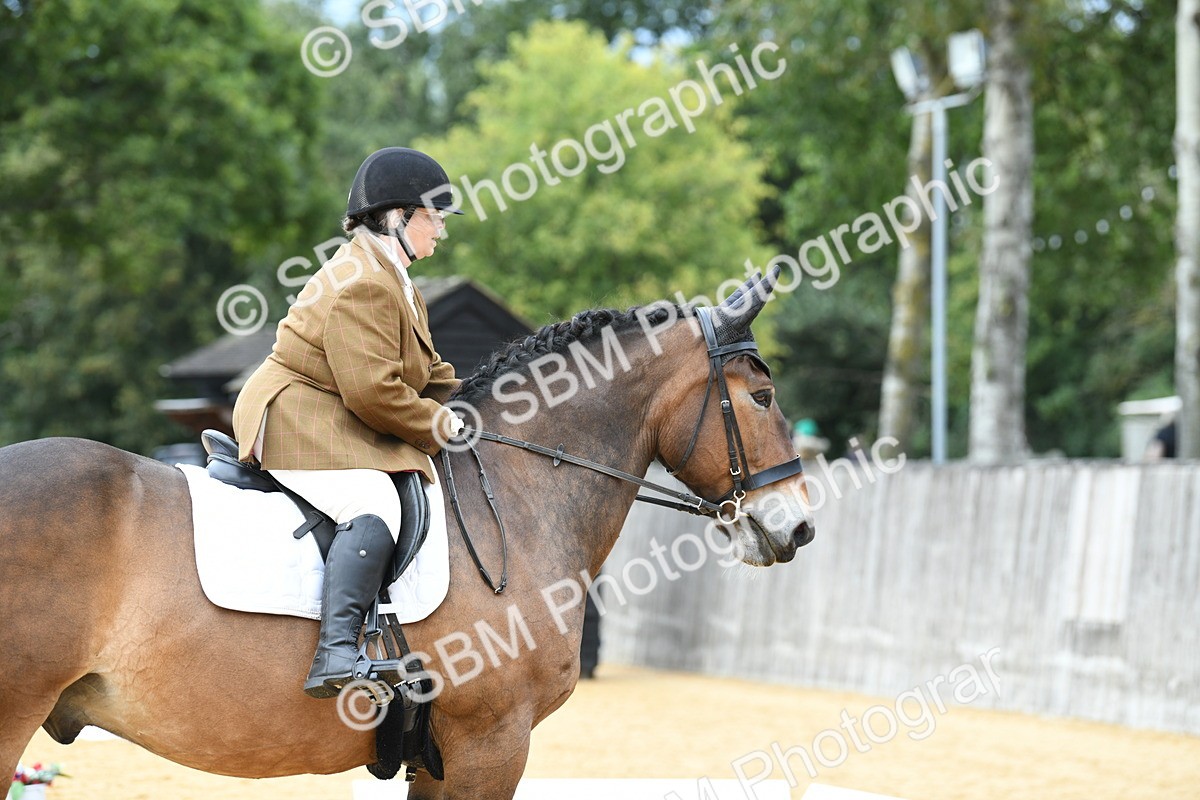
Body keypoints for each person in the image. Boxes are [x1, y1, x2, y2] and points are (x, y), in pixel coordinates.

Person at [232, 147, 465, 698]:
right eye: (434, 217)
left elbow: (427, 371)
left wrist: (483, 403)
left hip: (329, 405)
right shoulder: (364, 282)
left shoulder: (395, 277)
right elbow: (374, 392)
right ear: (397, 217)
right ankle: (335, 653)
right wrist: (442, 427)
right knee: (373, 500)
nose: (441, 231)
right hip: (294, 411)